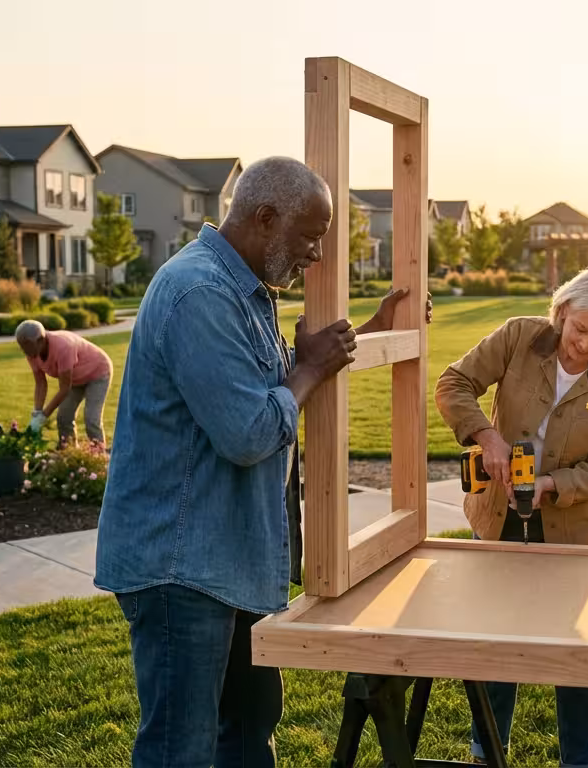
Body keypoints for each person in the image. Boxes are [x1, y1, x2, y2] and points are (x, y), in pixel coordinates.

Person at [94, 156, 430, 768]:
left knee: (249, 732)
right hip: (180, 565)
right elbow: (248, 431)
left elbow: (274, 390)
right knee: (181, 750)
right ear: (264, 217)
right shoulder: (198, 293)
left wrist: (369, 333)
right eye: (309, 236)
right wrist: (308, 369)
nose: (317, 255)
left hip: (226, 556)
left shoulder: (246, 291)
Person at [435, 263, 588, 768]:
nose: (585, 345)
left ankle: (579, 761)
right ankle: (487, 753)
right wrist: (487, 437)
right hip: (497, 518)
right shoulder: (518, 337)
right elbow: (454, 383)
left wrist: (551, 487)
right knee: (497, 643)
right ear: (563, 310)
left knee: (574, 653)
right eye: (579, 329)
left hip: (574, 533)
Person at [13, 320, 115, 448]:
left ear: (40, 340)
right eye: (22, 346)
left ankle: (100, 457)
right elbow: (40, 383)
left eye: (27, 345)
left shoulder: (63, 347)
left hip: (98, 372)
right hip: (76, 378)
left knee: (91, 419)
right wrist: (37, 413)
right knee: (64, 418)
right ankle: (69, 454)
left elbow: (65, 389)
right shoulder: (32, 352)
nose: (24, 350)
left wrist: (43, 416)